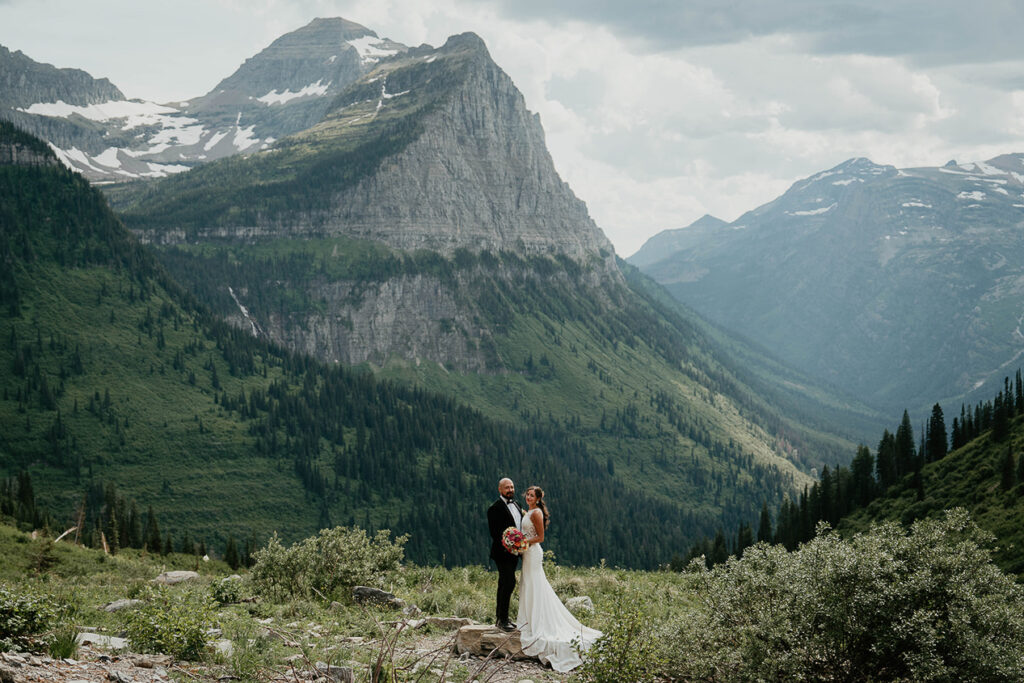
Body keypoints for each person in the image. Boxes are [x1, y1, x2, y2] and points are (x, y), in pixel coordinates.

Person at [517, 485, 602, 672]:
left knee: (535, 584)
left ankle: (537, 621)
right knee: (528, 584)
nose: (528, 497)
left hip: (533, 552)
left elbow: (540, 537)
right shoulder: (529, 511)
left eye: (532, 495)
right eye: (527, 494)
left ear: (538, 499)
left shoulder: (536, 513)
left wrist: (523, 541)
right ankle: (528, 619)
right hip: (526, 554)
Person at [487, 477, 522, 632]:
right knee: (508, 583)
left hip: (515, 553)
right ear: (500, 490)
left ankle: (502, 618)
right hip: (502, 553)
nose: (510, 490)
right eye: (507, 487)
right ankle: (502, 619)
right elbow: (495, 534)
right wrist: (510, 545)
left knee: (505, 583)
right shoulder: (494, 508)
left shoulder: (517, 504)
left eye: (512, 487)